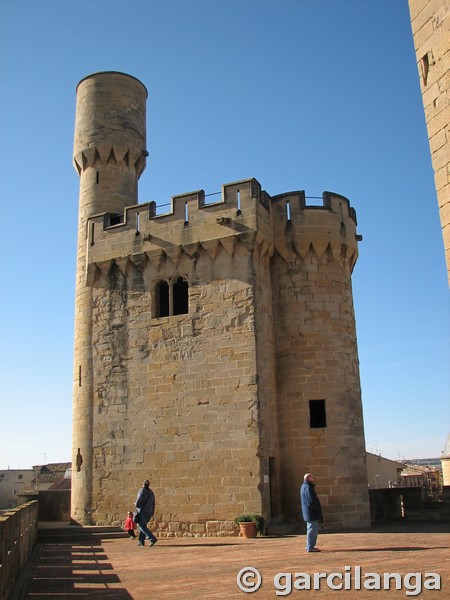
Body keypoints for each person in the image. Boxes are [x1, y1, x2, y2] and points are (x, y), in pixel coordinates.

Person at [300, 473, 323, 552]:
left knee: (311, 529)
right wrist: (318, 508)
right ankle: (310, 547)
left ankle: (309, 546)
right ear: (309, 478)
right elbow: (311, 502)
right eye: (312, 477)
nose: (313, 478)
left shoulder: (305, 487)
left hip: (309, 513)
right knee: (312, 530)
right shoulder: (308, 488)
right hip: (311, 513)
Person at [134, 479, 158, 547]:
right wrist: (152, 511)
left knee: (141, 526)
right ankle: (141, 541)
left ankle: (152, 538)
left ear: (143, 484)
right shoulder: (151, 492)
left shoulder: (142, 491)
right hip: (149, 512)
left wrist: (136, 504)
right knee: (143, 525)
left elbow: (138, 502)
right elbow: (153, 503)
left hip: (143, 511)